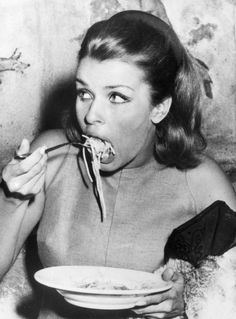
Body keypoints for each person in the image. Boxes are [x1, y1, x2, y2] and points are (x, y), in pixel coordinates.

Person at [0, 10, 236, 319]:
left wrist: (193, 295)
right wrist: (11, 198)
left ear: (159, 108)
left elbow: (228, 286)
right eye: (84, 92)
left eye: (117, 97)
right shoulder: (52, 157)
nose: (90, 115)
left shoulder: (200, 180)